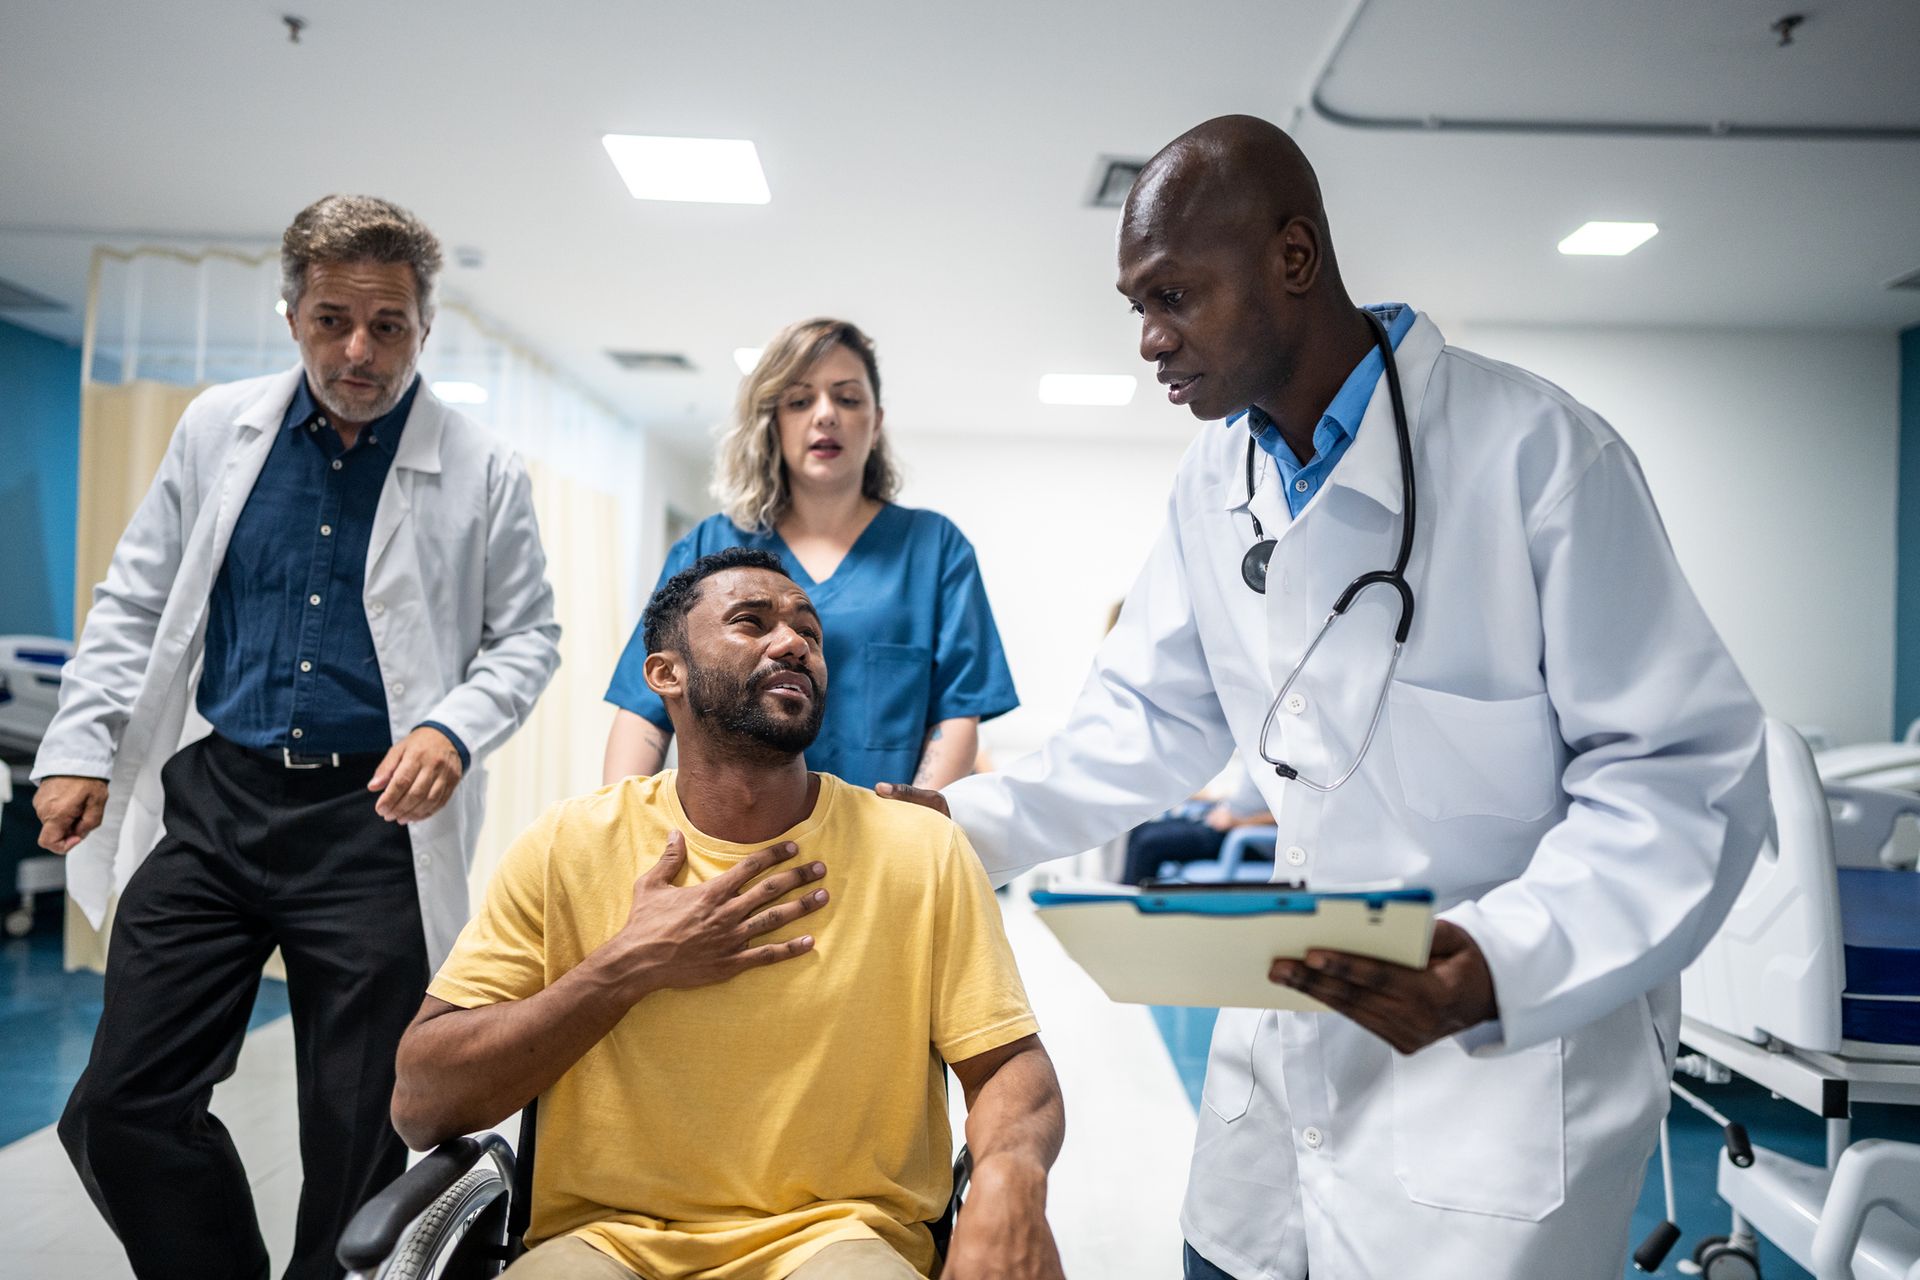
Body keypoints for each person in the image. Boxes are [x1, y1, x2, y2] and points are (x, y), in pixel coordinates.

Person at [880, 116, 1768, 1279]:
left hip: (1497, 1078)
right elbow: (1142, 719)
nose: (1149, 339)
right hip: (1287, 1063)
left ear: (1292, 259)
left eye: (1174, 295)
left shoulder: (1539, 457)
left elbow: (1684, 776)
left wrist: (1501, 959)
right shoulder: (1215, 482)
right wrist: (956, 823)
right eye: (1136, 304)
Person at [32, 194, 561, 1280]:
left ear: (424, 327)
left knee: (361, 1135)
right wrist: (80, 746)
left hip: (375, 820)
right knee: (122, 1106)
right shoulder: (216, 427)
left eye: (389, 325)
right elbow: (134, 602)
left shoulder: (483, 466)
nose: (358, 350)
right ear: (291, 314)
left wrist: (452, 731)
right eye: (332, 319)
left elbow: (528, 638)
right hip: (220, 801)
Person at [394, 548, 1064, 1280]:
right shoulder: (569, 846)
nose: (794, 643)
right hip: (600, 1241)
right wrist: (626, 967)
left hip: (844, 1236)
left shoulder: (920, 848)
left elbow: (1009, 1064)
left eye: (808, 631)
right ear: (665, 674)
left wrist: (1011, 1174)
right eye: (753, 622)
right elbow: (422, 1105)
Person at [602, 318, 1016, 791]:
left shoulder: (934, 548)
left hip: (879, 840)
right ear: (774, 422)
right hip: (726, 842)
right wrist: (622, 832)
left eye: (847, 398)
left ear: (876, 421)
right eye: (800, 401)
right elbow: (644, 708)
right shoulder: (710, 548)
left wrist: (908, 831)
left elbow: (958, 714)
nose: (825, 415)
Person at [1121, 758, 1274, 885]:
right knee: (1141, 829)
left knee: (1148, 842)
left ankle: (1130, 910)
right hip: (1223, 822)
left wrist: (1239, 823)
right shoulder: (1264, 753)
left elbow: (1287, 820)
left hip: (1245, 838)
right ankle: (1129, 897)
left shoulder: (1291, 762)